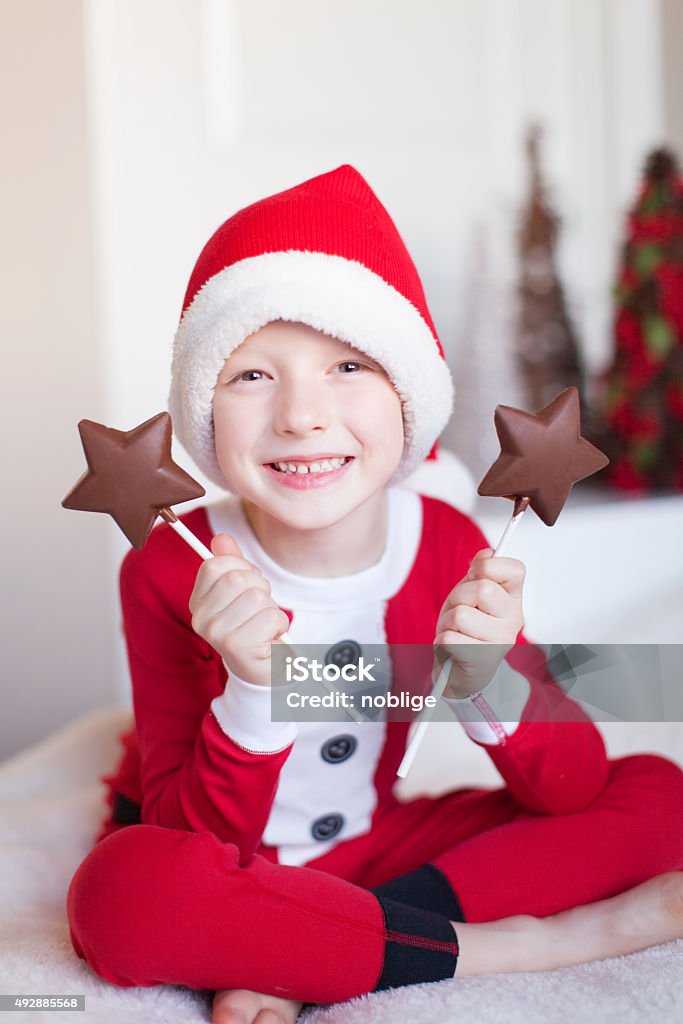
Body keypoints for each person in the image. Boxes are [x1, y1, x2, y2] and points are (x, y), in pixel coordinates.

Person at [66, 165, 683, 1024]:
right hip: (223, 853)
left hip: (374, 848)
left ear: (408, 397)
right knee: (122, 894)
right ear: (203, 408)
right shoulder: (172, 567)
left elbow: (568, 790)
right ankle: (500, 948)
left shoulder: (446, 546)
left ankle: (302, 944)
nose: (302, 416)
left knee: (656, 796)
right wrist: (253, 691)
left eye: (348, 365)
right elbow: (188, 833)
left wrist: (489, 681)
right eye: (252, 375)